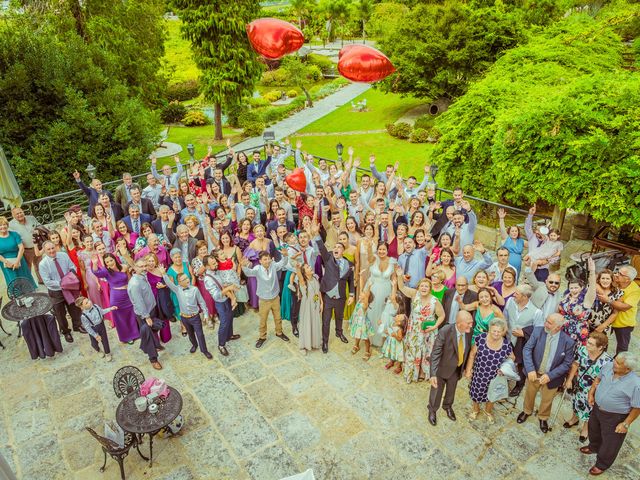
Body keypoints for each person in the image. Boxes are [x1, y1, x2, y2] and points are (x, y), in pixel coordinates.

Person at [581, 352, 640, 476]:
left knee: (610, 442)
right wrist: (591, 393)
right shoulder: (609, 366)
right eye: (615, 359)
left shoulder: (636, 384)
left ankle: (602, 464)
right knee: (594, 430)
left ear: (627, 369)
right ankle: (594, 447)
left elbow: (637, 407)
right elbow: (598, 378)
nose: (614, 362)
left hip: (615, 416)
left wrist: (626, 424)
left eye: (618, 363)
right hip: (597, 408)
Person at [517, 313, 576, 433]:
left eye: (549, 323)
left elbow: (567, 363)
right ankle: (527, 411)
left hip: (552, 377)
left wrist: (550, 376)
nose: (545, 324)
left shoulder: (568, 342)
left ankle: (543, 417)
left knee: (547, 399)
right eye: (546, 321)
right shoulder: (538, 331)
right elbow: (527, 349)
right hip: (534, 372)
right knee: (529, 394)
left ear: (558, 327)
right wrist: (530, 369)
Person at [563, 332, 613, 443]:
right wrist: (570, 379)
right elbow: (576, 364)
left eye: (591, 344)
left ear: (600, 347)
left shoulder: (607, 361)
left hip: (594, 390)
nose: (587, 345)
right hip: (580, 384)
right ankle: (574, 419)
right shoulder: (582, 350)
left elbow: (604, 380)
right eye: (588, 342)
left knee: (589, 410)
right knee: (576, 402)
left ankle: (586, 429)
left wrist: (593, 391)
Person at [428, 311, 474, 426]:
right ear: (459, 323)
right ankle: (432, 410)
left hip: (456, 369)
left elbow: (467, 350)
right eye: (468, 323)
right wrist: (433, 374)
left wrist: (466, 368)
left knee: (451, 391)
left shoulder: (469, 331)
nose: (471, 325)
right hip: (442, 368)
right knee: (436, 392)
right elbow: (436, 353)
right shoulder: (445, 331)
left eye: (471, 322)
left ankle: (447, 406)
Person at [397, 275, 446, 384]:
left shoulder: (434, 301)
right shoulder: (415, 295)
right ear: (418, 287)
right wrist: (400, 275)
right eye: (422, 286)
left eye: (426, 286)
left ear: (430, 288)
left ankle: (423, 372)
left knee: (426, 351)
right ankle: (413, 372)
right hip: (414, 330)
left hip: (428, 332)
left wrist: (434, 326)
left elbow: (442, 315)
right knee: (413, 350)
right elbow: (401, 287)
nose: (424, 288)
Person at [466, 318, 514, 424]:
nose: (496, 333)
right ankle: (475, 410)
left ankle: (488, 411)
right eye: (494, 331)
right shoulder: (481, 338)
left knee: (492, 395)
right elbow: (472, 354)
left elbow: (512, 358)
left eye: (499, 331)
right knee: (476, 393)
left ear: (503, 332)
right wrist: (469, 370)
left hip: (496, 376)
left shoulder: (506, 345)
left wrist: (504, 369)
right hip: (480, 374)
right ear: (489, 329)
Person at [161, 265, 212, 359]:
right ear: (179, 282)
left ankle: (204, 350)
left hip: (195, 317)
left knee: (200, 334)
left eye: (187, 278)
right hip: (184, 318)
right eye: (184, 279)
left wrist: (205, 314)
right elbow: (168, 283)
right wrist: (164, 274)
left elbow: (202, 302)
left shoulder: (195, 289)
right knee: (191, 334)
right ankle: (194, 345)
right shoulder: (177, 289)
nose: (187, 280)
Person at [241, 250, 290, 348]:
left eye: (268, 259)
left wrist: (285, 256)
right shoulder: (257, 269)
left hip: (275, 297)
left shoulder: (273, 265)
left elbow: (282, 263)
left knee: (278, 317)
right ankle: (262, 337)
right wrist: (244, 266)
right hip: (264, 300)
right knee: (263, 320)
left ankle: (279, 332)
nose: (267, 261)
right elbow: (249, 273)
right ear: (260, 261)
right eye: (265, 259)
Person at [503, 284, 544, 397]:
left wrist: (524, 333)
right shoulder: (510, 302)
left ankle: (519, 385)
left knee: (521, 365)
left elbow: (538, 332)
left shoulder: (537, 312)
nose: (513, 295)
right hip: (507, 338)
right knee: (505, 359)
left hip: (522, 343)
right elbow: (505, 317)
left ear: (525, 297)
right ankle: (504, 379)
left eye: (517, 293)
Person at [38, 241, 84, 342]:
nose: (51, 251)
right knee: (60, 313)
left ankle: (77, 325)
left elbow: (72, 267)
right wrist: (63, 283)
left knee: (74, 307)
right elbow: (47, 282)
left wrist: (70, 279)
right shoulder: (43, 264)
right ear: (45, 251)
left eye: (52, 248)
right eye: (48, 249)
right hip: (56, 291)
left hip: (69, 287)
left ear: (55, 247)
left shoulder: (63, 255)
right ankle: (66, 332)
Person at [92, 254, 140, 344]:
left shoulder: (124, 267)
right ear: (105, 264)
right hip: (117, 298)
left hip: (128, 294)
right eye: (107, 262)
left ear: (115, 259)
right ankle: (127, 337)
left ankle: (136, 333)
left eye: (111, 260)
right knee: (121, 318)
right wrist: (94, 264)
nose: (110, 263)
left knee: (131, 314)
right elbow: (96, 273)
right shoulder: (106, 271)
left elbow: (129, 279)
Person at [127, 259, 163, 370]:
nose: (144, 268)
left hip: (150, 309)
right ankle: (153, 359)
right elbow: (139, 302)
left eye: (145, 266)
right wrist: (146, 316)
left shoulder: (143, 276)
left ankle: (157, 345)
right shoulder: (135, 283)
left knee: (153, 330)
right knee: (148, 336)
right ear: (135, 268)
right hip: (144, 314)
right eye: (141, 266)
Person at [203, 255, 240, 356]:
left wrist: (232, 296)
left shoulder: (217, 271)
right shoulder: (208, 279)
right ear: (206, 266)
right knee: (224, 322)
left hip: (227, 298)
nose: (216, 264)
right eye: (213, 264)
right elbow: (216, 295)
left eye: (215, 262)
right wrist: (228, 288)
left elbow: (223, 284)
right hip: (220, 302)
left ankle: (229, 335)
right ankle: (221, 345)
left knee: (230, 317)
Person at [558, 257, 596, 347]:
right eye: (571, 288)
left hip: (578, 331)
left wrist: (592, 272)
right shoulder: (566, 297)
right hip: (563, 329)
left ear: (581, 288)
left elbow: (592, 289)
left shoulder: (585, 300)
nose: (574, 290)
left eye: (576, 288)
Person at [75, 295, 118, 362]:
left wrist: (110, 309)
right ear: (82, 307)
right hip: (93, 328)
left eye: (88, 300)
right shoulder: (83, 316)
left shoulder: (95, 306)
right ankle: (98, 350)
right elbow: (87, 328)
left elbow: (102, 311)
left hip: (101, 325)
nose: (89, 302)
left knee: (105, 340)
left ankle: (107, 353)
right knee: (94, 343)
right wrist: (95, 335)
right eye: (86, 303)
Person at [0, 216, 36, 290]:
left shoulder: (14, 234)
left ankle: (30, 294)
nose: (3, 227)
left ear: (7, 225)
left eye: (4, 224)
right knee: (13, 280)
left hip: (19, 258)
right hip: (5, 262)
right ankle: (17, 297)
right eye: (0, 225)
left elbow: (21, 248)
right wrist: (7, 262)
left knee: (24, 277)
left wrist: (17, 261)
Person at [610, 266, 639, 354]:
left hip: (624, 324)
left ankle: (618, 366)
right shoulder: (615, 281)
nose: (616, 274)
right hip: (610, 319)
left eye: (620, 274)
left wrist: (608, 301)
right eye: (617, 272)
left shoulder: (635, 291)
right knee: (601, 341)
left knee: (622, 349)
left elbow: (624, 307)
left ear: (627, 279)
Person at [9, 207, 42, 282]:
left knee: (40, 265)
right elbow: (12, 238)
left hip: (37, 246)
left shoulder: (31, 218)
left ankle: (42, 280)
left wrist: (38, 229)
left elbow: (39, 225)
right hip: (25, 250)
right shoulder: (11, 225)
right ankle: (29, 284)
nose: (20, 214)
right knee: (27, 268)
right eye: (17, 214)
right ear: (13, 216)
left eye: (21, 212)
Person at [589, 269, 622, 334]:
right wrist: (585, 319)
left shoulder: (618, 293)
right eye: (603, 278)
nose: (605, 281)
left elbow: (615, 313)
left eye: (607, 278)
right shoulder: (593, 289)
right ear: (599, 279)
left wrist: (603, 326)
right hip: (588, 323)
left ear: (612, 280)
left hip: (604, 327)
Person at [349, 287, 375, 361]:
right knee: (357, 336)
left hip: (363, 324)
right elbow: (361, 287)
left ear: (366, 297)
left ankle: (367, 351)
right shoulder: (360, 300)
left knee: (365, 338)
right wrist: (361, 277)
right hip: (357, 322)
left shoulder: (364, 306)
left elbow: (366, 298)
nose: (360, 293)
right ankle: (356, 345)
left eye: (363, 293)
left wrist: (369, 287)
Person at [498, 208, 526, 275]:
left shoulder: (521, 241)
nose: (514, 233)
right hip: (506, 264)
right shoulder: (506, 238)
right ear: (509, 232)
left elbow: (532, 243)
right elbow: (502, 229)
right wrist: (501, 219)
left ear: (518, 232)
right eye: (512, 231)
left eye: (516, 231)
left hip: (517, 267)